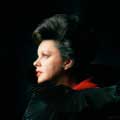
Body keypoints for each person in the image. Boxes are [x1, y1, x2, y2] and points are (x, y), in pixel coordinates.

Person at [22, 14, 120, 120]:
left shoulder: (93, 107)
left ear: (67, 62)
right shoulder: (51, 99)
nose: (35, 63)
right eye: (38, 56)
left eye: (45, 55)